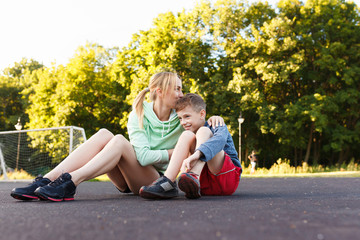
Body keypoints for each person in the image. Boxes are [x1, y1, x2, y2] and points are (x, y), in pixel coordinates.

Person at [10, 72, 224, 202]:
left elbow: (149, 158)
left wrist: (214, 118)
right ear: (159, 91)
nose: (181, 94)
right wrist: (175, 152)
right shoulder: (139, 113)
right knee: (105, 134)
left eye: (181, 89)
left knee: (120, 141)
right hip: (127, 175)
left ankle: (70, 183)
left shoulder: (183, 118)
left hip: (154, 180)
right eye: (177, 89)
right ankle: (48, 179)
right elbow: (142, 156)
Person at [139, 93, 242, 200]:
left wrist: (197, 154)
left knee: (204, 131)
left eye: (187, 116)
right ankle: (168, 182)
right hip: (202, 186)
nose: (183, 122)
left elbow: (220, 140)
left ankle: (194, 174)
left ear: (202, 114)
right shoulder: (189, 134)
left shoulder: (216, 124)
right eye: (180, 118)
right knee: (186, 135)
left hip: (226, 180)